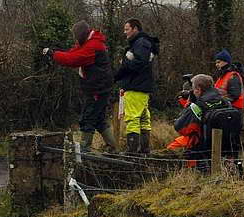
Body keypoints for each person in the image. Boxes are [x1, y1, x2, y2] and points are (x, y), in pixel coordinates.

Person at [42, 20, 117, 153]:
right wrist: (56, 54)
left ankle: (85, 149)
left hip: (97, 89)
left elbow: (73, 59)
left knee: (87, 118)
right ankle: (112, 147)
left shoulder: (92, 46)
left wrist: (53, 54)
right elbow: (72, 53)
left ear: (81, 35)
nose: (76, 40)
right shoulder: (91, 42)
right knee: (99, 119)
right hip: (99, 88)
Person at [114, 18, 160, 155]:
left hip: (135, 86)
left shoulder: (140, 43)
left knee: (132, 118)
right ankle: (144, 150)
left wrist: (125, 62)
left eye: (127, 29)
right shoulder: (144, 43)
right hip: (142, 87)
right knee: (144, 119)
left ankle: (132, 152)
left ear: (135, 29)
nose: (125, 32)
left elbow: (140, 63)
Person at [174, 74, 241, 161]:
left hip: (204, 151)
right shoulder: (225, 101)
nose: (193, 92)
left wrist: (189, 104)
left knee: (173, 147)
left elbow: (180, 128)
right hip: (229, 147)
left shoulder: (197, 106)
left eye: (193, 90)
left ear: (198, 89)